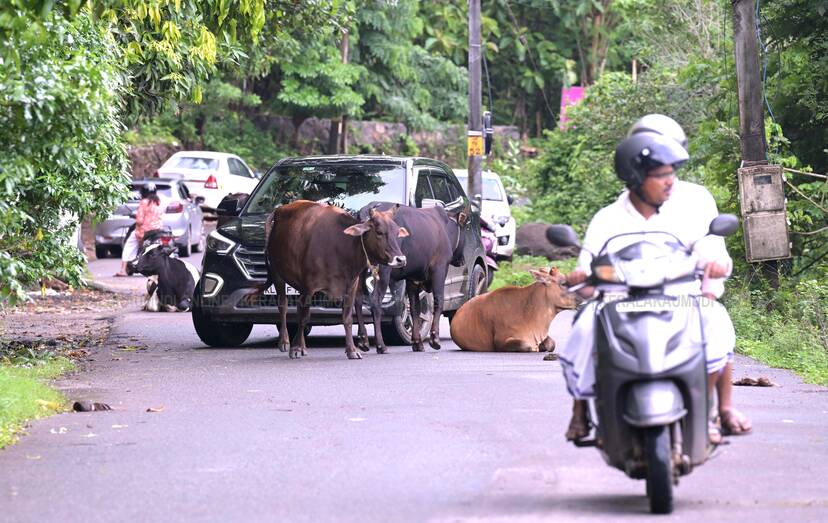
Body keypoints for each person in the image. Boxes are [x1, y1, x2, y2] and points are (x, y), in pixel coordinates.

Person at [560, 119, 752, 445]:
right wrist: (583, 278)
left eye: (670, 169)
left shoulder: (691, 203)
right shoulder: (608, 217)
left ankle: (709, 410)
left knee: (716, 323)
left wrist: (715, 269)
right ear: (635, 169)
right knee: (583, 329)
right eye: (660, 171)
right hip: (620, 299)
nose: (669, 180)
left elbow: (711, 251)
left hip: (680, 296)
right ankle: (582, 408)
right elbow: (588, 267)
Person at [114, 183, 164, 277]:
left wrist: (137, 221)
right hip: (158, 230)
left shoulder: (144, 202)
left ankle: (123, 270)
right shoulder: (158, 202)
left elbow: (140, 221)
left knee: (129, 245)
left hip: (145, 231)